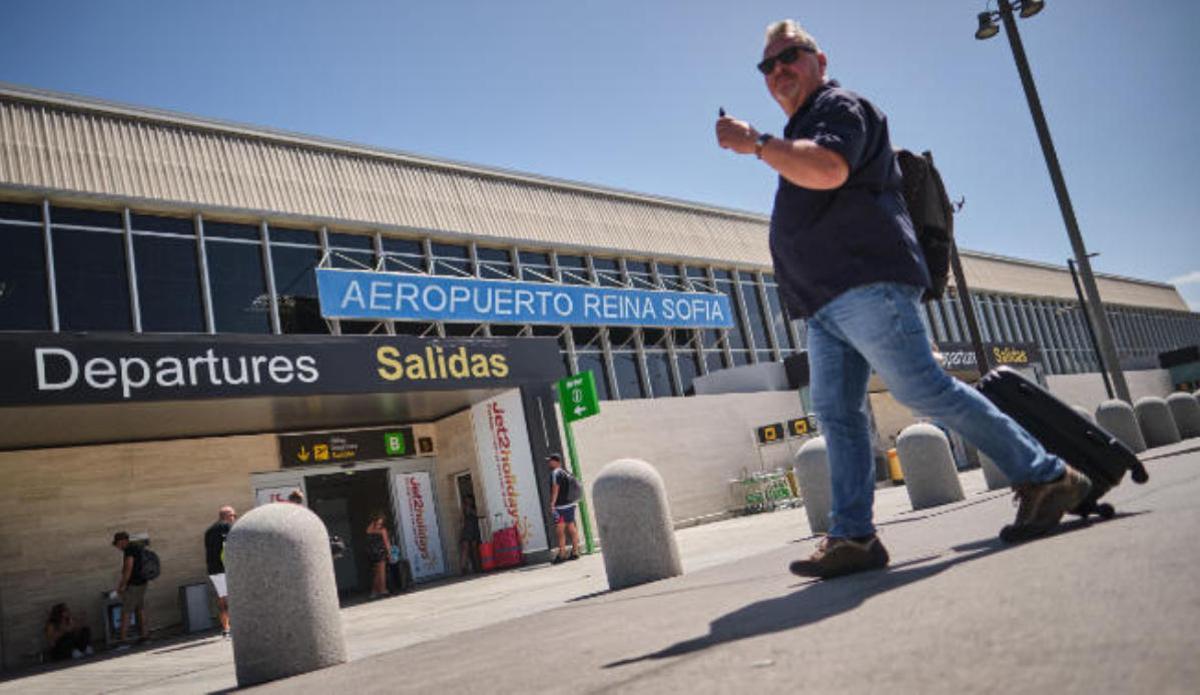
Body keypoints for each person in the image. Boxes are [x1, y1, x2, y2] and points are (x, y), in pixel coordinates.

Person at [715, 20, 1092, 579]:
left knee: (921, 387)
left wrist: (757, 144)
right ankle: (853, 537)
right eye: (767, 65)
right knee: (838, 417)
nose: (778, 71)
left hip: (867, 281)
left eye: (788, 56)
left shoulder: (839, 107)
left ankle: (1046, 474)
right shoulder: (804, 125)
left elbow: (829, 169)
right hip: (823, 304)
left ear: (818, 58)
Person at [111, 532, 150, 643]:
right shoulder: (137, 548)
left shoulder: (129, 550)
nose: (117, 547)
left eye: (117, 544)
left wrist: (122, 586)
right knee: (140, 609)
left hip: (133, 584)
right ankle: (144, 636)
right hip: (142, 582)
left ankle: (123, 641)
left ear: (123, 541)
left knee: (126, 612)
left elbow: (128, 569)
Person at [203, 506, 236, 638]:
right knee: (231, 598)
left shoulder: (209, 531)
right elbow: (230, 547)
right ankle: (232, 627)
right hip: (225, 568)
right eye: (233, 515)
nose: (234, 518)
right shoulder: (226, 528)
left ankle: (226, 628)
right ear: (227, 516)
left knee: (222, 599)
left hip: (213, 569)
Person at [546, 453, 581, 564]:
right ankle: (575, 552)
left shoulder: (555, 473)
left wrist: (552, 504)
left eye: (550, 460)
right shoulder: (566, 472)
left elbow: (555, 489)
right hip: (570, 504)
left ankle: (562, 554)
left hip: (560, 507)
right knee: (571, 526)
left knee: (560, 530)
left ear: (556, 462)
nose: (549, 462)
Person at [365, 514, 392, 599]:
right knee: (381, 572)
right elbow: (386, 542)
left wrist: (373, 523)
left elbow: (368, 531)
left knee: (377, 573)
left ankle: (374, 592)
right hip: (381, 552)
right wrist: (390, 553)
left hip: (373, 553)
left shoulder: (370, 529)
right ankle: (382, 590)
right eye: (379, 522)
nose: (379, 524)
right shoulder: (382, 530)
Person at [458, 494, 482, 575]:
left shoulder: (474, 507)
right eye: (466, 500)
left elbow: (478, 514)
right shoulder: (463, 509)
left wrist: (471, 510)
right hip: (467, 530)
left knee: (474, 549)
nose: (468, 502)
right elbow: (461, 520)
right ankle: (463, 568)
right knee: (465, 548)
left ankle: (477, 567)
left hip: (474, 529)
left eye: (469, 500)